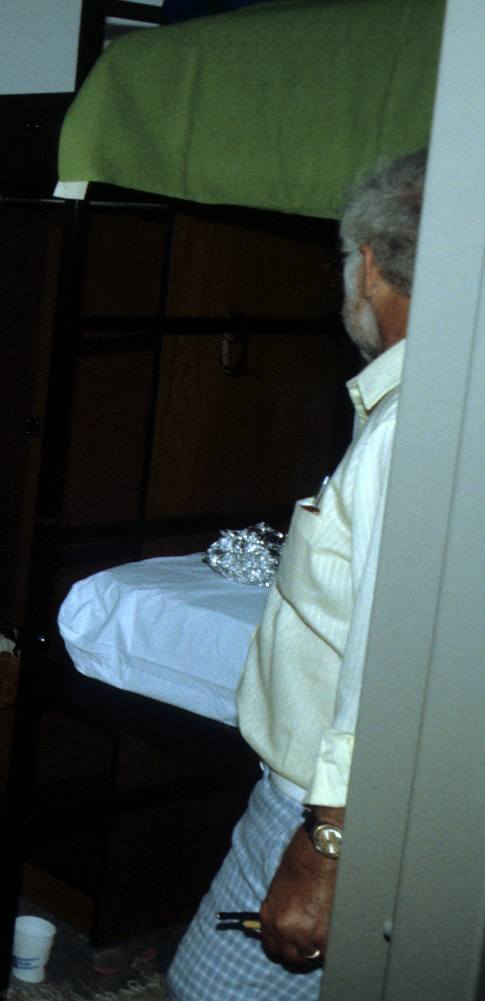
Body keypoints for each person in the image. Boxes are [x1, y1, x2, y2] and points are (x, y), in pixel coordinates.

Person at [168, 150, 424, 999]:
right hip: (388, 810)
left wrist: (324, 853)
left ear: (371, 266)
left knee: (207, 990)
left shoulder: (409, 431)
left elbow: (388, 667)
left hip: (329, 811)